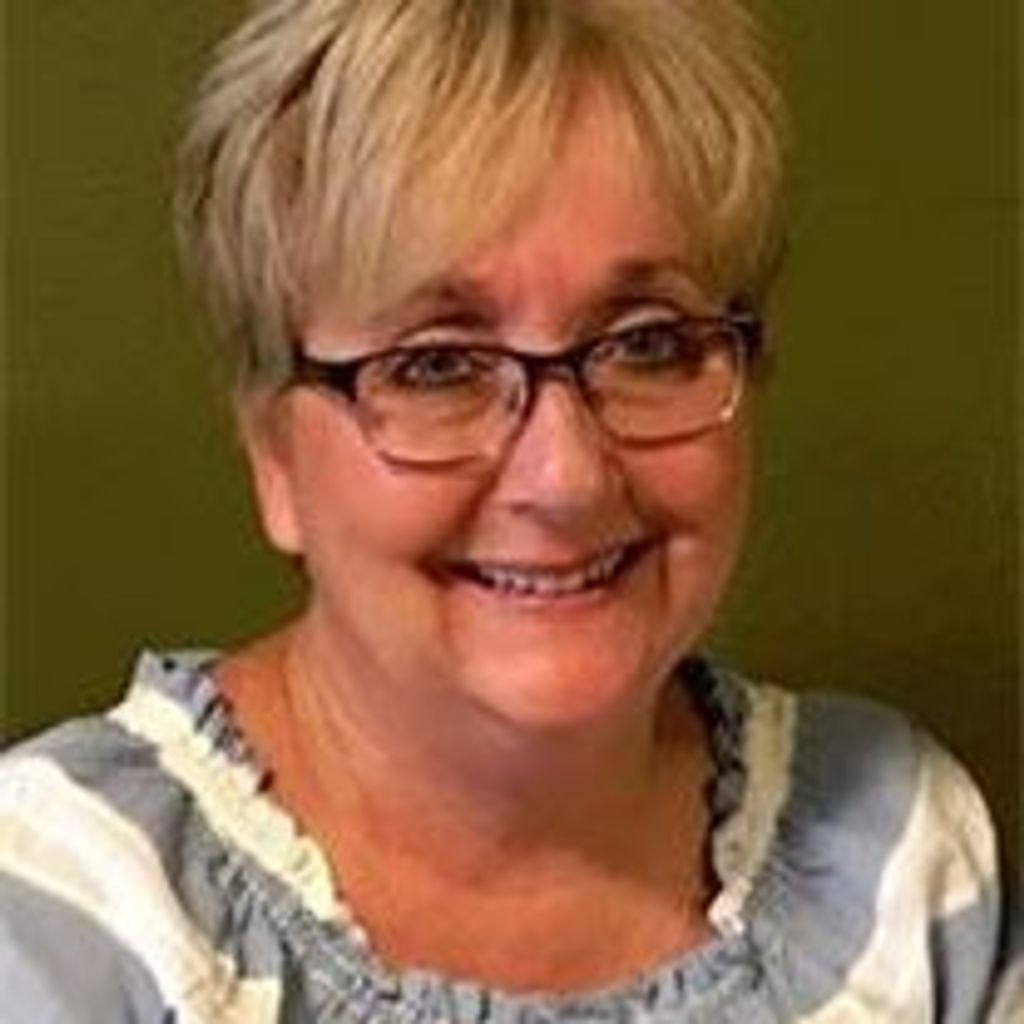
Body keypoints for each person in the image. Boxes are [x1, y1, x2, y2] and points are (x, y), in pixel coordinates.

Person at [0, 0, 1018, 1020]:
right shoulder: (62, 921)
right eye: (437, 365)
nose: (564, 477)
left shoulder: (897, 862)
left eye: (647, 344)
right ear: (275, 453)